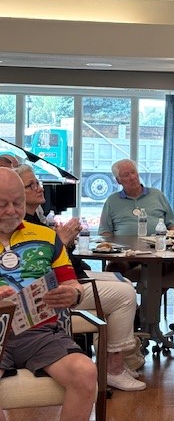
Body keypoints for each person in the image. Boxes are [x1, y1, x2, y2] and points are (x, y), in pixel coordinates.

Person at [14, 164, 146, 391]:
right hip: (54, 293)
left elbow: (60, 262)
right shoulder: (23, 226)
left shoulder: (37, 220)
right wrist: (61, 241)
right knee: (126, 294)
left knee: (121, 280)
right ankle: (113, 368)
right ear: (17, 194)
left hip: (74, 277)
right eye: (31, 185)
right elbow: (36, 274)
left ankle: (114, 359)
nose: (39, 187)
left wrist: (65, 241)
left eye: (38, 182)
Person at [0, 167, 97, 421]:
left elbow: (72, 283)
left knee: (85, 372)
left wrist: (73, 294)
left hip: (40, 333)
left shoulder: (47, 237)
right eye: (2, 204)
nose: (11, 211)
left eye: (17, 203)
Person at [98, 159, 174, 275]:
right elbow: (105, 232)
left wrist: (170, 244)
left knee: (167, 267)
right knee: (113, 268)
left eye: (133, 172)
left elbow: (172, 226)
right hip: (126, 254)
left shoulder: (157, 195)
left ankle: (149, 287)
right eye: (126, 175)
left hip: (157, 252)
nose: (132, 177)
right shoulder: (112, 201)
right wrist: (114, 250)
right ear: (118, 181)